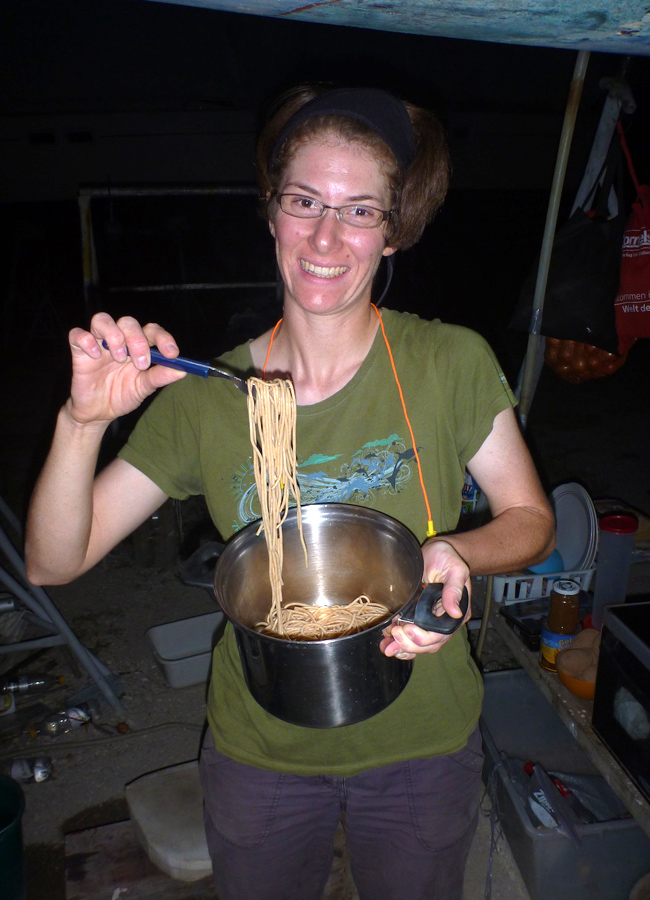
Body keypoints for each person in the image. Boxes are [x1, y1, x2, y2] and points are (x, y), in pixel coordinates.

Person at [25, 84, 555, 900]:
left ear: (393, 232)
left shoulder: (446, 362)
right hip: (259, 748)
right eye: (304, 201)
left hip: (422, 740)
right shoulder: (209, 397)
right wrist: (82, 420)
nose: (325, 236)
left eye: (359, 211)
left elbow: (531, 520)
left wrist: (454, 551)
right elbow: (53, 563)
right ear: (271, 212)